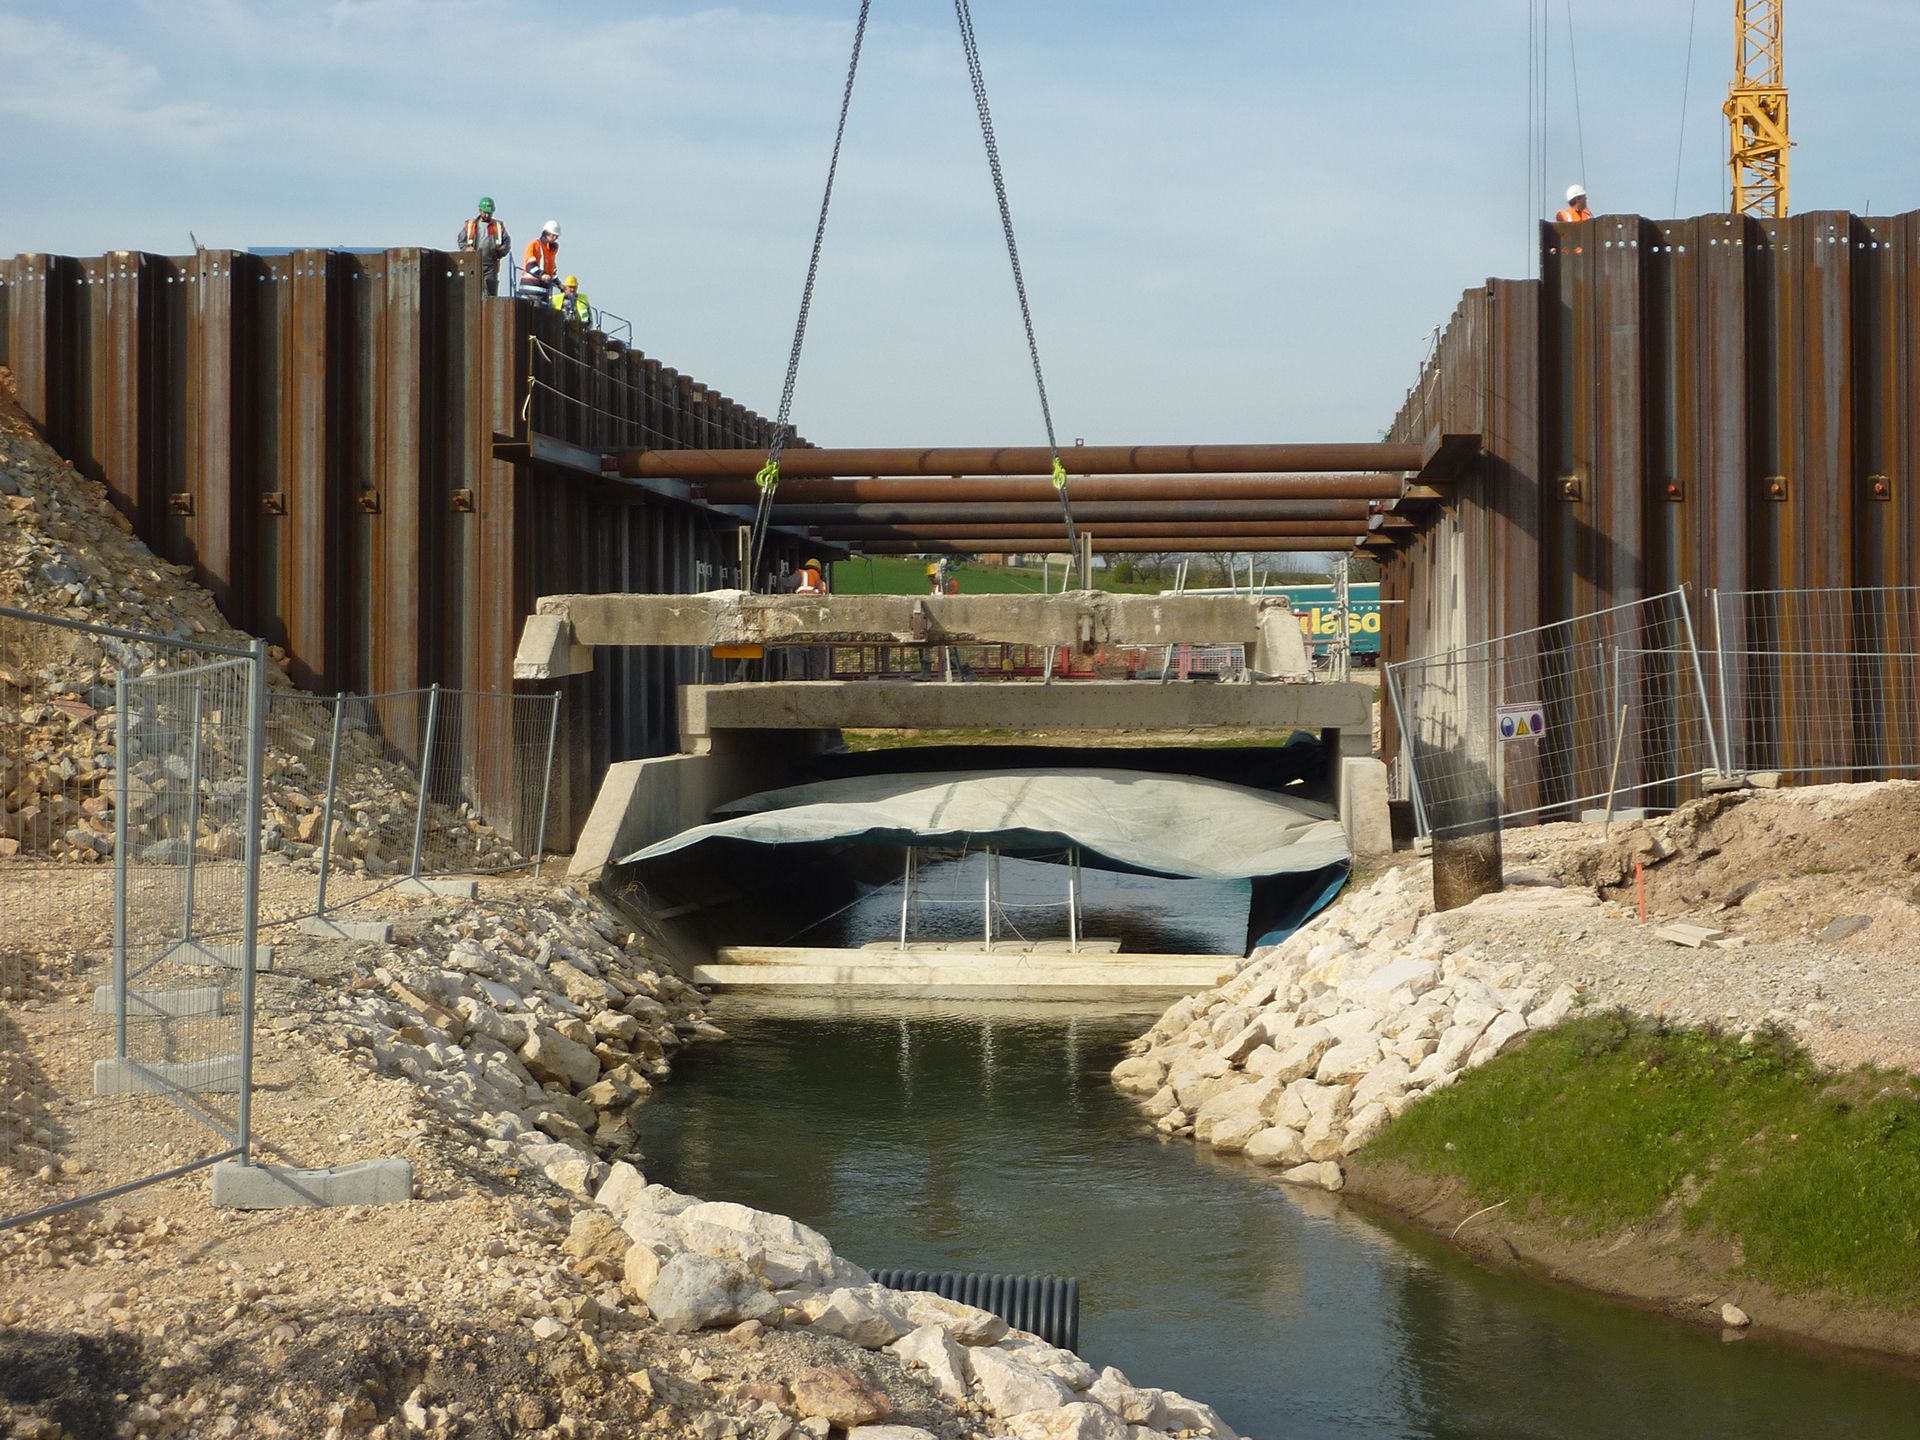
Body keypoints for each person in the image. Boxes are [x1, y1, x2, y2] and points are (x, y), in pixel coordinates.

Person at [456, 197, 512, 296]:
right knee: (472, 293)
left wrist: (501, 251)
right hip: (474, 263)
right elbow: (461, 240)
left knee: (490, 294)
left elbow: (507, 243)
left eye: (489, 213)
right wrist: (466, 249)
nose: (487, 215)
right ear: (480, 211)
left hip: (491, 264)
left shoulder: (498, 226)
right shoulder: (471, 225)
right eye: (485, 212)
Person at [521, 220, 561, 301]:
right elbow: (530, 266)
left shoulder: (551, 252)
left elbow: (551, 273)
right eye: (553, 235)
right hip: (530, 291)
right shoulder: (535, 245)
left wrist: (560, 285)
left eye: (557, 236)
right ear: (546, 233)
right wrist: (542, 275)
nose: (555, 238)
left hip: (544, 293)